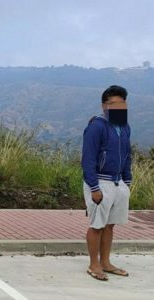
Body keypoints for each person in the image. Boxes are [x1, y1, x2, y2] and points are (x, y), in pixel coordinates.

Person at [81, 85, 132, 281]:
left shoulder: (125, 126)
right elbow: (88, 159)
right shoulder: (96, 127)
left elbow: (127, 155)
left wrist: (127, 181)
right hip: (100, 182)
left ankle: (106, 262)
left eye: (122, 103)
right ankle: (94, 264)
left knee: (110, 226)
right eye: (114, 104)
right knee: (97, 225)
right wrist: (94, 187)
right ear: (104, 106)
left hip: (118, 183)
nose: (119, 107)